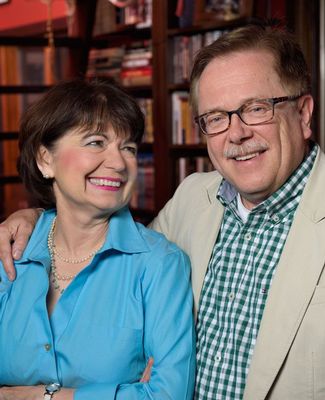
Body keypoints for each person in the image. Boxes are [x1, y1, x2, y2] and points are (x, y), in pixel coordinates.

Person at [0, 23, 324, 400]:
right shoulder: (192, 198)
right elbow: (107, 239)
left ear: (303, 114)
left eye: (256, 108)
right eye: (216, 118)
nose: (236, 134)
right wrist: (35, 217)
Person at [0, 78, 195, 399]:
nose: (118, 163)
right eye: (95, 142)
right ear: (45, 159)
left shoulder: (160, 265)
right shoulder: (10, 250)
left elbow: (168, 395)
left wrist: (42, 397)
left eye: (128, 148)